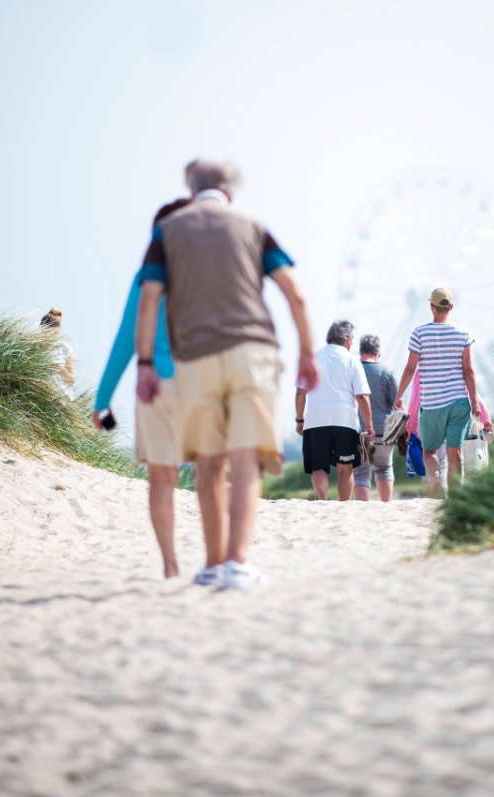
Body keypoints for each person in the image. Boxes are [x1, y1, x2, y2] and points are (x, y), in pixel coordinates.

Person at [135, 159, 318, 590]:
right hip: (252, 350)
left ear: (190, 186)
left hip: (194, 357)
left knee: (210, 462)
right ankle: (238, 563)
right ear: (231, 191)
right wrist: (307, 351)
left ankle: (213, 564)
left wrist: (145, 363)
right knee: (245, 456)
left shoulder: (168, 229)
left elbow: (148, 298)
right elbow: (295, 294)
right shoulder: (254, 225)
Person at [92, 198, 191, 579]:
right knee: (216, 470)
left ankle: (170, 565)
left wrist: (102, 401)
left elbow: (125, 341)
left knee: (163, 478)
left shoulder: (147, 275)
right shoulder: (205, 272)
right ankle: (225, 558)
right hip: (202, 384)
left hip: (158, 386)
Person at [393, 287, 480, 498]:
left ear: (431, 307)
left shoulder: (419, 333)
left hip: (432, 403)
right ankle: (457, 496)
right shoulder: (464, 333)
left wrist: (399, 396)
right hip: (459, 401)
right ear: (451, 307)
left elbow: (410, 368)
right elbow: (468, 370)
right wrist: (475, 400)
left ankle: (436, 481)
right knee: (455, 451)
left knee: (429, 451)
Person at [296, 320, 374, 501]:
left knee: (318, 467)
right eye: (352, 338)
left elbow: (300, 393)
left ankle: (323, 501)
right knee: (345, 467)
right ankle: (343, 505)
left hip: (315, 419)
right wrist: (369, 425)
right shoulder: (352, 359)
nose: (353, 342)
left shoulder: (312, 358)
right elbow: (362, 396)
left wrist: (300, 420)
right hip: (344, 419)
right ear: (346, 339)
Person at [404, 372, 494, 493]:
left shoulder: (422, 366)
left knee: (435, 457)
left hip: (432, 413)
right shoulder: (457, 361)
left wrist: (412, 424)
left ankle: (438, 484)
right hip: (456, 413)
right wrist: (486, 418)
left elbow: (415, 396)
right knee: (455, 454)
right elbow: (472, 391)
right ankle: (455, 492)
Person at [353, 334, 398, 501]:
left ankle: (363, 509)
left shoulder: (353, 370)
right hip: (384, 430)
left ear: (360, 351)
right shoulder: (387, 372)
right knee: (385, 468)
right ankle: (385, 506)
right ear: (378, 352)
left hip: (359, 429)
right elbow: (397, 404)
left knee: (361, 473)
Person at [39, 308, 75, 397]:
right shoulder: (34, 347)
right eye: (48, 325)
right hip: (40, 395)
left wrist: (58, 368)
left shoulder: (64, 347)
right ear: (41, 327)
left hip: (62, 397)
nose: (51, 329)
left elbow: (71, 380)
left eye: (55, 326)